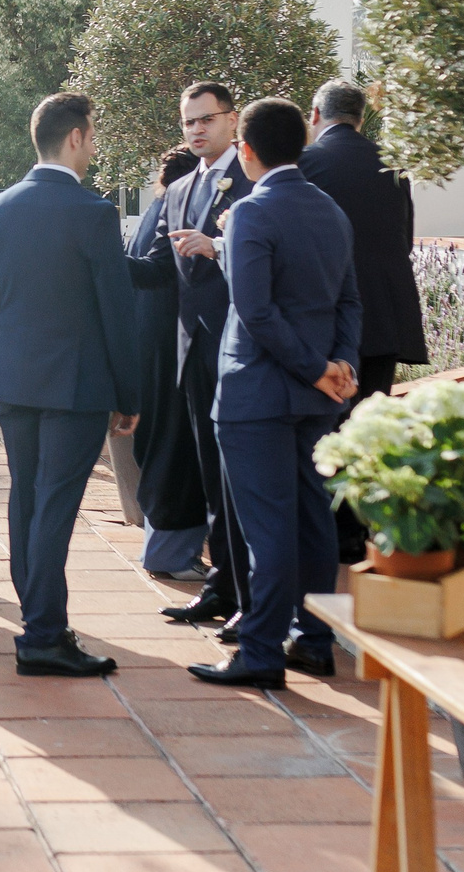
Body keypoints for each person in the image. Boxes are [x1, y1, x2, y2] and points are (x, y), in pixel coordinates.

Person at [190, 98, 361, 692]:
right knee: (312, 521)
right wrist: (342, 366)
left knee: (268, 530)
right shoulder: (332, 212)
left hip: (257, 395)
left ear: (247, 149)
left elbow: (255, 312)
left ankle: (261, 650)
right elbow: (349, 304)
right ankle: (314, 640)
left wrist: (318, 368)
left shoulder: (248, 214)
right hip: (316, 399)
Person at [0, 92, 139, 678]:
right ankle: (43, 634)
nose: (93, 149)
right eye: (92, 137)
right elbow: (116, 312)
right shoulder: (92, 212)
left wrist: (7, 363)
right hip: (77, 387)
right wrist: (129, 395)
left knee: (28, 499)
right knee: (54, 510)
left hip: (17, 381)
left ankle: (40, 622)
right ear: (74, 138)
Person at [298, 79, 429, 564]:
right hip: (385, 317)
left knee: (322, 429)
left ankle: (322, 533)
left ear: (315, 115)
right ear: (361, 118)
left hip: (327, 319)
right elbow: (405, 239)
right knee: (367, 428)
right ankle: (356, 534)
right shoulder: (393, 167)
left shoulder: (306, 164)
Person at [156, 82, 257, 634]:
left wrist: (217, 247)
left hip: (240, 347)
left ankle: (250, 596)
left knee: (241, 475)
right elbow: (153, 266)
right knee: (209, 475)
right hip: (191, 348)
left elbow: (268, 257)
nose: (196, 129)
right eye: (188, 121)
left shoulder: (251, 181)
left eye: (207, 119)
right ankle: (220, 588)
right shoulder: (177, 189)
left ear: (232, 120)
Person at [122, 146, 209, 579]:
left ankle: (163, 545)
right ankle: (169, 553)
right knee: (176, 449)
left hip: (148, 343)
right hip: (172, 344)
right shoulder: (177, 214)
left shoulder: (154, 211)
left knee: (160, 445)